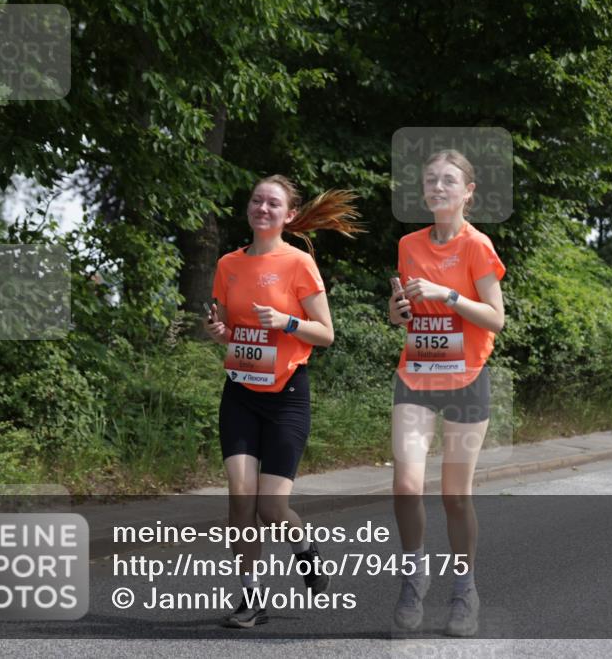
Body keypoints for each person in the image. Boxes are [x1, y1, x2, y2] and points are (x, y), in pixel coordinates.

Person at [205, 175, 362, 628]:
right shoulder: (228, 264)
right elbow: (228, 330)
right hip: (239, 392)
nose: (263, 208)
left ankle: (306, 552)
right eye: (257, 200)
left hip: (287, 396)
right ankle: (251, 600)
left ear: (289, 215)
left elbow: (326, 333)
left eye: (273, 203)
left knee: (272, 510)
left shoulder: (298, 264)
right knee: (240, 500)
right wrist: (219, 334)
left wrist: (287, 321)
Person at [388, 150, 506, 636]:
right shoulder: (409, 244)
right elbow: (402, 314)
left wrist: (448, 296)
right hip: (416, 376)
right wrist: (400, 311)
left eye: (449, 181)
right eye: (431, 180)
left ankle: (464, 589)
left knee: (455, 495)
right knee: (406, 486)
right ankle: (414, 577)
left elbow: (496, 318)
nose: (438, 187)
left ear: (467, 192)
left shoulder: (477, 246)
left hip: (465, 380)